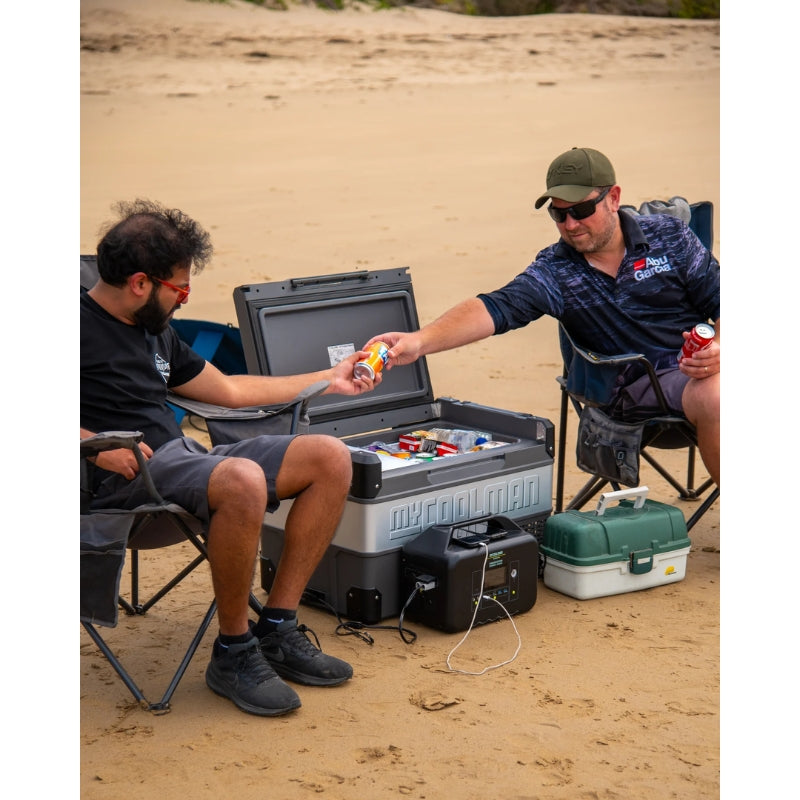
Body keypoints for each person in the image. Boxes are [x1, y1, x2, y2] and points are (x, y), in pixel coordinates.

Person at [81, 199, 382, 717]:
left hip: (178, 463)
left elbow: (228, 390)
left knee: (330, 457)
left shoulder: (154, 328)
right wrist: (88, 442)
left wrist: (327, 381)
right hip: (118, 490)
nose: (184, 298)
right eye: (181, 287)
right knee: (240, 478)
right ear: (138, 283)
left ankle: (278, 628)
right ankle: (233, 652)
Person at [366, 147, 720, 487]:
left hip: (704, 366)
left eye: (581, 210)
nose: (570, 224)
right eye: (558, 213)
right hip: (635, 386)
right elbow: (496, 307)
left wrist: (719, 346)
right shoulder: (557, 271)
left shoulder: (670, 236)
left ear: (613, 197)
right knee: (716, 394)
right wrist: (419, 341)